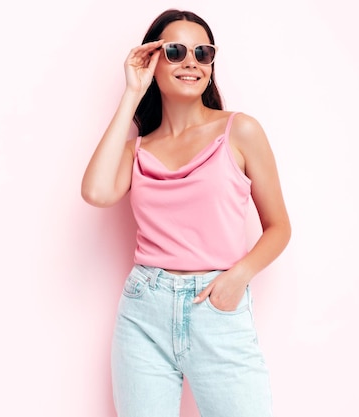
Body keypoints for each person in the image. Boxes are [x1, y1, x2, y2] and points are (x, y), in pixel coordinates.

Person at [81, 8, 291, 417]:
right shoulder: (137, 150)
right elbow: (96, 192)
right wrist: (131, 92)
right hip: (144, 311)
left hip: (217, 306)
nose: (191, 61)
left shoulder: (240, 130)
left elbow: (278, 226)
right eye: (175, 51)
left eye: (203, 52)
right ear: (153, 62)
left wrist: (238, 277)